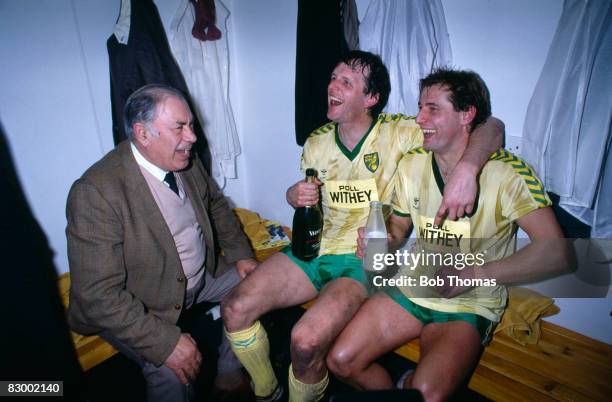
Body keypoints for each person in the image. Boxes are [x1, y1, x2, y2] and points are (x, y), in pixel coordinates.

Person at [221, 51, 504, 402]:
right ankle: (267, 391)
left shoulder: (401, 133)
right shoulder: (316, 141)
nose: (331, 85)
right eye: (333, 77)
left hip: (361, 261)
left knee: (306, 341)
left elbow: (491, 127)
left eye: (345, 81)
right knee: (234, 307)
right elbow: (312, 200)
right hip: (313, 249)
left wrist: (468, 169)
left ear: (370, 98)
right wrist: (293, 195)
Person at [326, 68, 572, 401]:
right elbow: (400, 227)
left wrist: (476, 274)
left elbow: (558, 253)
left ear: (466, 114)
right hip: (413, 284)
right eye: (419, 107)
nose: (419, 117)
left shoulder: (508, 173)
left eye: (432, 108)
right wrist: (385, 238)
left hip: (469, 299)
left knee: (428, 394)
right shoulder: (412, 163)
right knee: (341, 361)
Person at [66, 84, 258, 402]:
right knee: (174, 372)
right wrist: (165, 343)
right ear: (143, 134)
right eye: (180, 127)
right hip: (138, 300)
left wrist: (241, 255)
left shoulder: (185, 160)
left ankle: (228, 375)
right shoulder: (96, 192)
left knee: (257, 286)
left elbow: (216, 206)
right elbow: (98, 296)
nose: (192, 137)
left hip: (198, 277)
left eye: (191, 125)